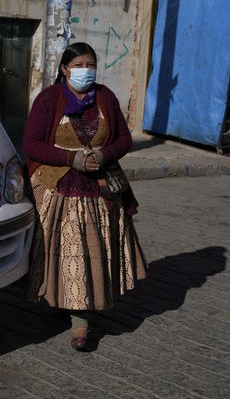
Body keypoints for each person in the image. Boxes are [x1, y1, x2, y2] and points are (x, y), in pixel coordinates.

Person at [23, 41, 147, 351]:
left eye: (90, 65)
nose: (85, 71)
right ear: (64, 70)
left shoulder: (105, 97)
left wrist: (104, 155)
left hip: (99, 186)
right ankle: (76, 317)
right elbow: (31, 143)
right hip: (61, 182)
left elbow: (124, 138)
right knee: (71, 252)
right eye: (78, 66)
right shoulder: (49, 100)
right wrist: (71, 159)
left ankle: (81, 311)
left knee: (94, 252)